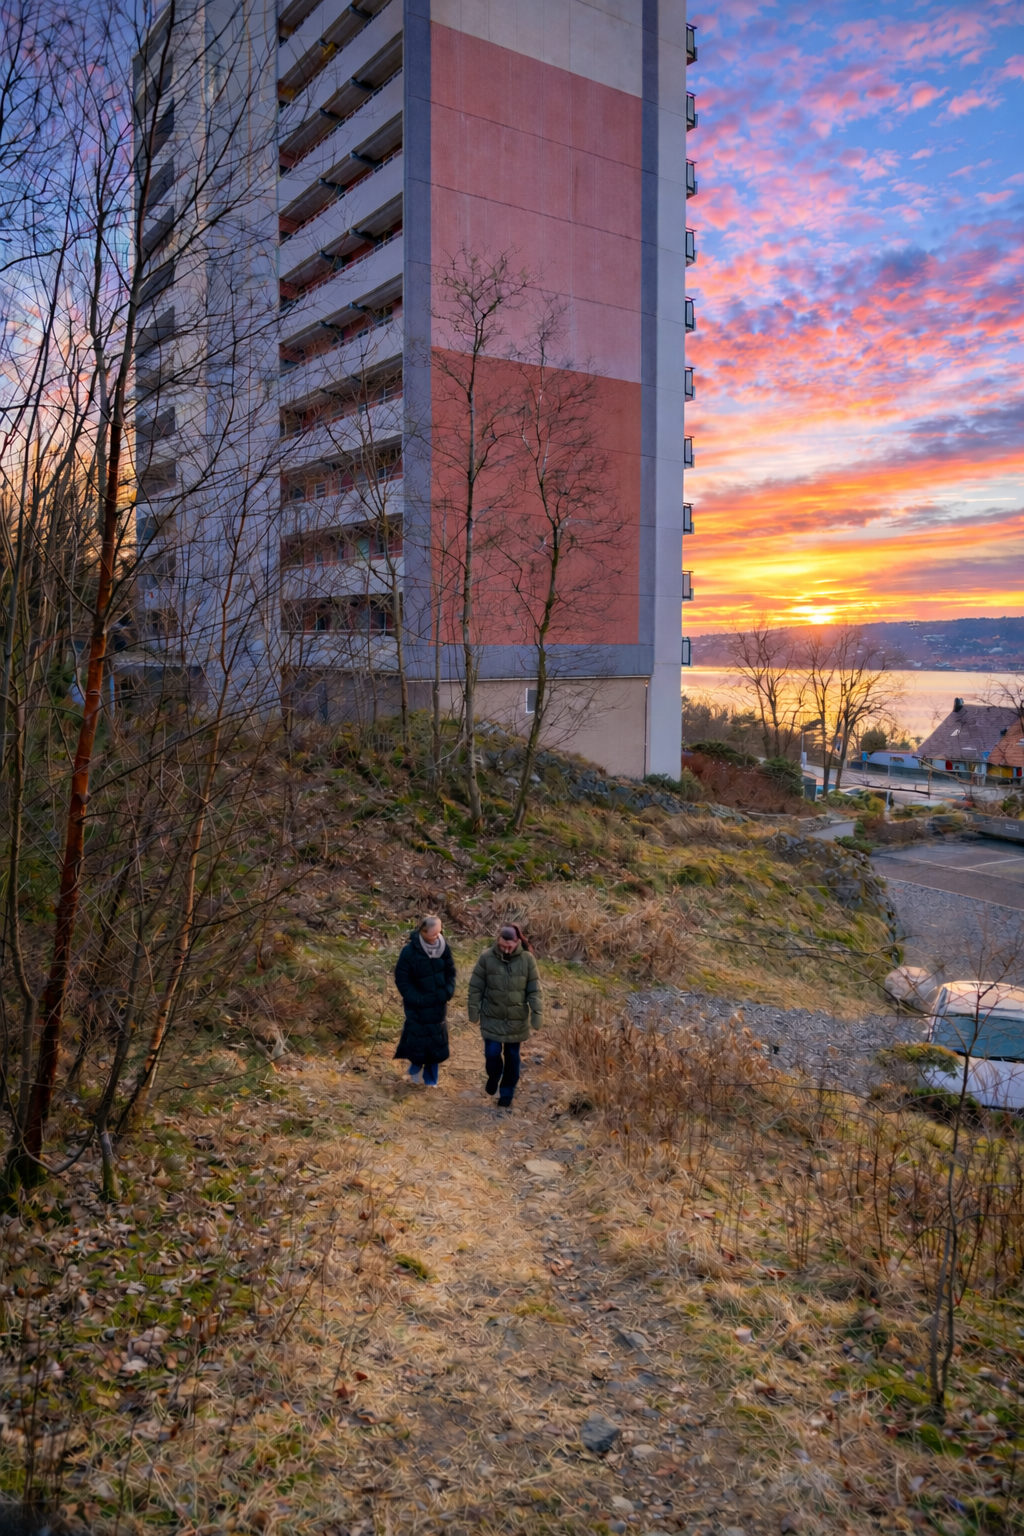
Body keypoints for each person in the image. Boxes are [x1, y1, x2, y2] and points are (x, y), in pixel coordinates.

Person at [467, 923, 543, 1109]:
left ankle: (507, 1092)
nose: (506, 948)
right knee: (492, 1054)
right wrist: (473, 1009)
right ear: (499, 939)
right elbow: (476, 986)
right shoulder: (486, 958)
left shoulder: (527, 960)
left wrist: (537, 1012)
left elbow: (534, 989)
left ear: (518, 942)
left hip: (516, 1019)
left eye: (510, 945)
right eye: (503, 944)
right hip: (492, 1016)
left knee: (512, 1056)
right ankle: (494, 1076)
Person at [394, 914, 456, 1087]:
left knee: (436, 1041)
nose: (437, 937)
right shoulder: (409, 952)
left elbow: (450, 973)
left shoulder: (444, 948)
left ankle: (431, 1080)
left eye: (439, 933)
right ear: (423, 932)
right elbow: (402, 980)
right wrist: (417, 998)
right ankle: (415, 1072)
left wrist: (447, 992)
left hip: (438, 1005)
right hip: (417, 1006)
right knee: (418, 1040)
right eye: (433, 935)